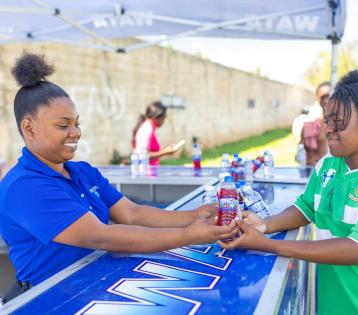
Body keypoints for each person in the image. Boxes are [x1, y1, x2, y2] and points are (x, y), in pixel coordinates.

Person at [0, 53, 238, 301]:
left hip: (96, 284)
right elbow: (101, 235)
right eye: (63, 125)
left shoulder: (82, 171)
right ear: (29, 127)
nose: (75, 133)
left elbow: (133, 213)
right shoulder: (23, 187)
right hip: (52, 300)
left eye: (77, 124)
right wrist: (190, 235)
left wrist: (193, 215)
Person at [220, 62, 358, 314]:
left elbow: (356, 250)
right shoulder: (329, 164)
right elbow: (307, 206)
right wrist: (265, 224)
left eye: (338, 122)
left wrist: (267, 244)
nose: (327, 129)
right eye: (326, 120)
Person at [132, 101, 180, 165]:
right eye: (164, 117)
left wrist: (167, 149)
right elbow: (143, 156)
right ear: (157, 116)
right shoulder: (147, 129)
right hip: (145, 172)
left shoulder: (150, 128)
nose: (164, 121)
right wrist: (165, 152)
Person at [300, 82, 331, 166]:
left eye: (328, 96)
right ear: (317, 99)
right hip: (321, 173)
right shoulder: (311, 127)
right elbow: (301, 155)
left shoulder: (346, 124)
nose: (325, 101)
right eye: (322, 97)